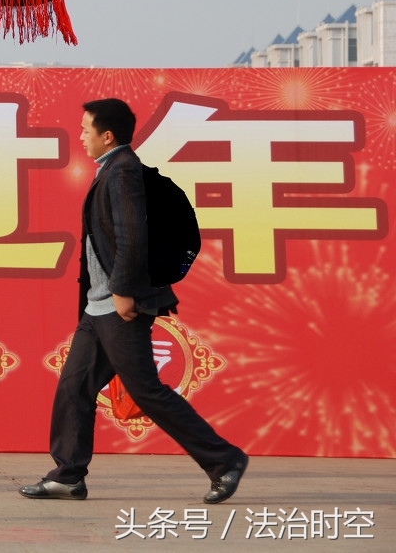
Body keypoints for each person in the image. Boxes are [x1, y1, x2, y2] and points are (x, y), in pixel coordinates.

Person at [20, 98, 248, 504]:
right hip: (98, 307)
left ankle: (224, 459)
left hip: (118, 304)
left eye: (86, 129)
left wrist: (124, 291)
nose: (81, 136)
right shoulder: (110, 169)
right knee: (75, 386)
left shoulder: (122, 171)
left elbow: (131, 235)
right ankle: (69, 475)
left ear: (107, 136)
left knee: (145, 390)